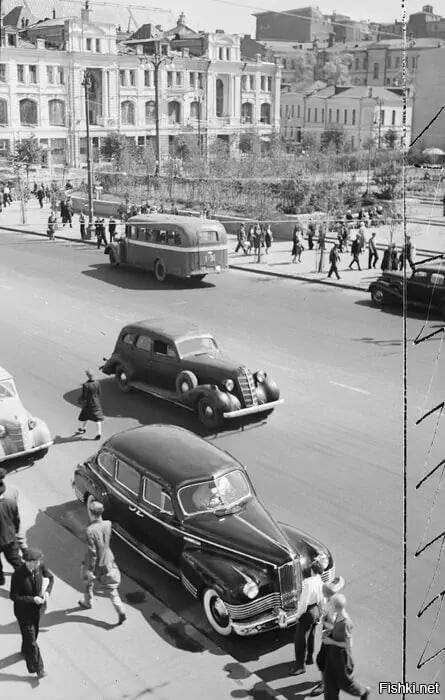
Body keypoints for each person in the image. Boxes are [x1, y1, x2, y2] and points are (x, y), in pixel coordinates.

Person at [78, 501, 126, 625]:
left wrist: (90, 570)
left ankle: (88, 602)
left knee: (86, 580)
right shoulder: (108, 524)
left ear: (91, 513)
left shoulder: (90, 530)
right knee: (111, 588)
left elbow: (92, 552)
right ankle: (120, 609)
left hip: (96, 564)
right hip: (108, 560)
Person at [10, 548, 54, 679]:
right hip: (24, 613)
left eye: (39, 561)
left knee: (33, 635)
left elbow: (50, 578)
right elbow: (14, 596)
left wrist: (47, 592)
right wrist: (32, 599)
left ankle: (25, 650)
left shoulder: (40, 567)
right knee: (32, 641)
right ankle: (38, 668)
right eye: (35, 562)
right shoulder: (18, 575)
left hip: (37, 610)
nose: (38, 564)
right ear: (28, 562)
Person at [321, 594, 370, 700]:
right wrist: (330, 631)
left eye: (331, 604)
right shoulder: (338, 616)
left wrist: (331, 641)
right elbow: (337, 630)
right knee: (329, 683)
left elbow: (348, 644)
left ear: (336, 607)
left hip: (341, 659)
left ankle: (363, 691)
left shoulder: (345, 623)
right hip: (332, 656)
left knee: (345, 683)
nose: (330, 606)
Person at [308, 577, 345, 697]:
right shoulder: (329, 600)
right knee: (324, 660)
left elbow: (333, 624)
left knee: (323, 660)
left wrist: (325, 625)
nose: (322, 592)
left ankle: (325, 684)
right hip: (329, 635)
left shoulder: (334, 605)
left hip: (332, 636)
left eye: (324, 591)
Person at [290, 561, 325, 675]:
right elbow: (322, 600)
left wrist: (298, 615)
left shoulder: (308, 583)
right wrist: (320, 614)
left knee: (300, 640)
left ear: (312, 570)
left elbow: (304, 602)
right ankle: (310, 658)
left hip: (308, 612)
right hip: (316, 610)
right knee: (311, 635)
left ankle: (300, 666)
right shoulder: (321, 581)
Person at [0, 469, 23, 586]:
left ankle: (0, 579)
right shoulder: (10, 503)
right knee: (16, 561)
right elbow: (16, 520)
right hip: (10, 538)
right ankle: (25, 581)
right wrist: (14, 532)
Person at [76, 369, 104, 439]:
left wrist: (80, 400)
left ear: (87, 376)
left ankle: (83, 429)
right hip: (96, 402)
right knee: (98, 418)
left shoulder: (86, 385)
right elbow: (99, 392)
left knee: (85, 415)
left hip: (88, 403)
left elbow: (84, 396)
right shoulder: (97, 383)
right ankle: (99, 433)